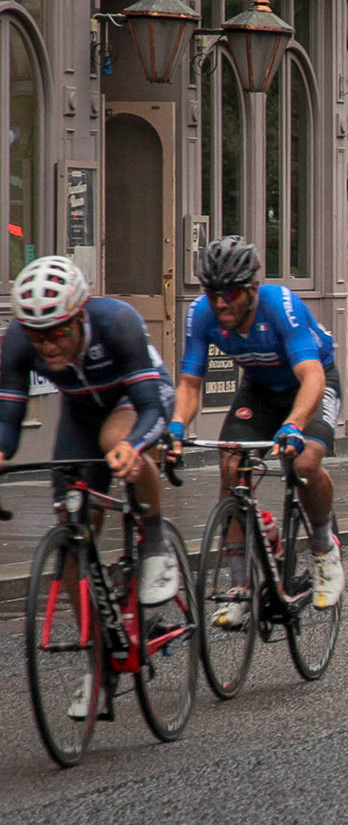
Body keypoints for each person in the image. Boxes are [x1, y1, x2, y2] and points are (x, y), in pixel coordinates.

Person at [1, 257, 177, 721]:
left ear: (79, 316)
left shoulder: (117, 322)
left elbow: (149, 406)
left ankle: (155, 541)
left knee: (116, 443)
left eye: (58, 332)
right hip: (80, 413)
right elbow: (8, 418)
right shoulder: (18, 340)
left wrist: (134, 447)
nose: (47, 345)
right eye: (37, 335)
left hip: (137, 400)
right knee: (73, 534)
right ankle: (100, 667)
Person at [172, 235, 345, 617]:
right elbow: (189, 383)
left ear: (252, 287)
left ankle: (324, 548)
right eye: (212, 293)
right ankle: (240, 586)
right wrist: (177, 426)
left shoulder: (281, 305)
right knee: (231, 467)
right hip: (260, 388)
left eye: (230, 293)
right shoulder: (201, 313)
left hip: (311, 383)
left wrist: (294, 424)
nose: (220, 303)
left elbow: (312, 376)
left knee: (304, 462)